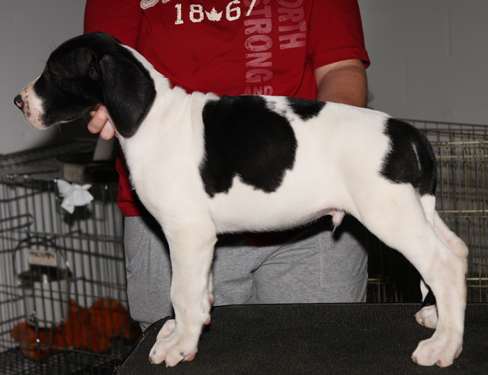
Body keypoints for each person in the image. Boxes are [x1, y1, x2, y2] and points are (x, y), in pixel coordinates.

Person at [84, 0, 370, 331]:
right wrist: (106, 99)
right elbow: (105, 68)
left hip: (309, 207)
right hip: (174, 215)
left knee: (321, 354)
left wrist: (322, 158)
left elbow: (340, 68)